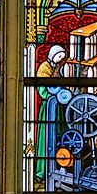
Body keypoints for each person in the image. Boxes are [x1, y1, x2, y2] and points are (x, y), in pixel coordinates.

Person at [35, 45, 69, 183]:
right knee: (46, 138)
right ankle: (41, 172)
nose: (60, 59)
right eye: (58, 56)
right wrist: (53, 95)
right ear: (52, 55)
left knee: (60, 136)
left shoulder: (56, 68)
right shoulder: (44, 68)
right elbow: (42, 90)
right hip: (48, 108)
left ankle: (59, 166)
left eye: (62, 56)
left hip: (58, 107)